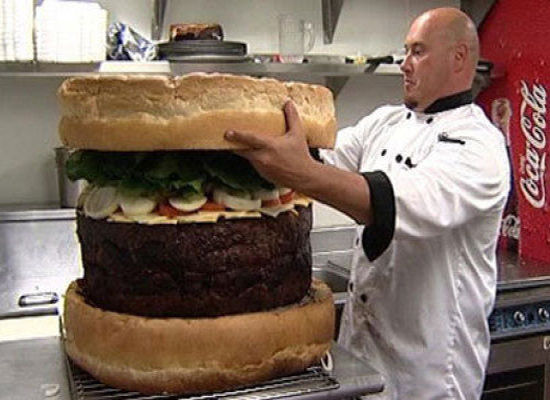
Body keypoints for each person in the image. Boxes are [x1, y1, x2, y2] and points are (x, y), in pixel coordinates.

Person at [225, 7, 510, 400]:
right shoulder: (386, 122)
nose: (405, 64)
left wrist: (298, 172)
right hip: (362, 366)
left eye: (418, 52)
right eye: (405, 51)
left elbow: (389, 203)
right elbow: (321, 161)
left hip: (427, 381)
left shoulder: (480, 147)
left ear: (459, 57)